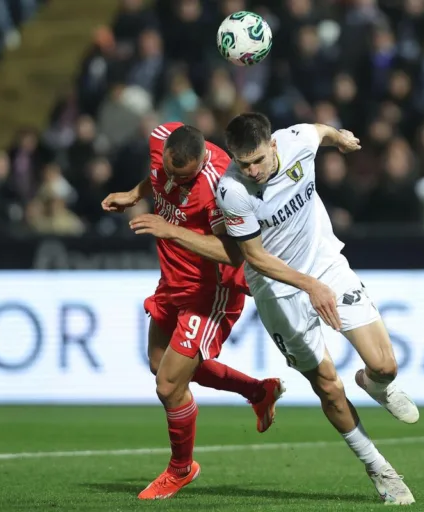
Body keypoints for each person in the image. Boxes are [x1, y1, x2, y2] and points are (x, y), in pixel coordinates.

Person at [216, 113, 418, 504]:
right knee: (327, 385)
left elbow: (319, 131)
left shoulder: (296, 141)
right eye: (244, 163)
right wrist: (310, 287)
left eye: (258, 159)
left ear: (273, 145)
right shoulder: (232, 190)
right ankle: (379, 468)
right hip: (278, 290)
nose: (253, 170)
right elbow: (254, 258)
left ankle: (375, 385)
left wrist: (340, 137)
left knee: (385, 366)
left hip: (325, 265)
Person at [101, 122, 284, 500]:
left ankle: (181, 469)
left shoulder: (223, 187)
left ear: (201, 163)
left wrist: (170, 230)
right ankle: (257, 391)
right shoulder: (160, 139)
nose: (174, 184)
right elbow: (157, 179)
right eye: (170, 172)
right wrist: (135, 194)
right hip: (172, 280)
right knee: (159, 363)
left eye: (183, 179)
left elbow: (235, 253)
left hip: (210, 291)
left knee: (169, 385)